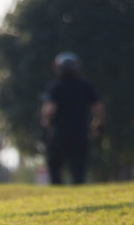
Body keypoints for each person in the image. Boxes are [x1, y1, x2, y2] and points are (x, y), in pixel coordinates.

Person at [40, 52, 105, 185]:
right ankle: (78, 192)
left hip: (60, 133)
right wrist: (96, 124)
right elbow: (99, 108)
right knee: (78, 169)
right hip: (81, 132)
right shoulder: (85, 85)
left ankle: (58, 191)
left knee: (55, 165)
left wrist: (46, 121)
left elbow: (51, 109)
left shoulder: (56, 87)